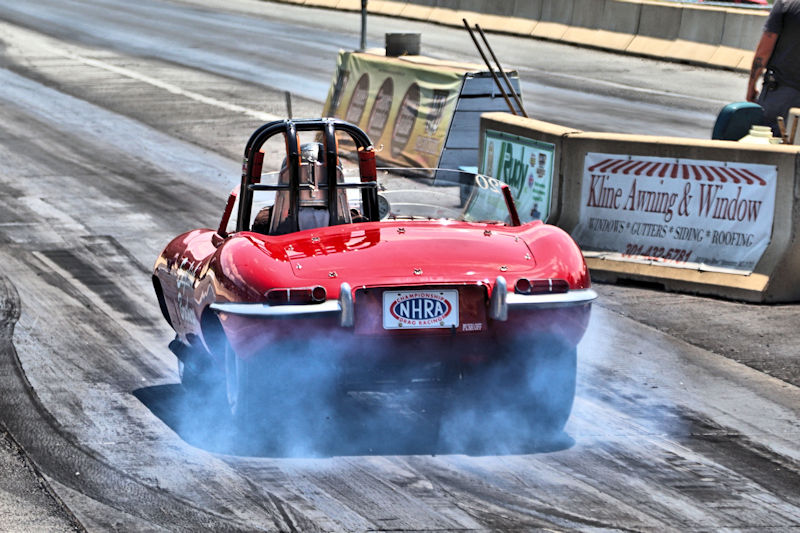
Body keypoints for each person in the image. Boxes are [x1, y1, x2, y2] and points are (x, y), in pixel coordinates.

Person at [746, 0, 800, 136]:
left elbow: (764, 50)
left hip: (779, 96)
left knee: (767, 148)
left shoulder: (786, 3)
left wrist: (751, 86)